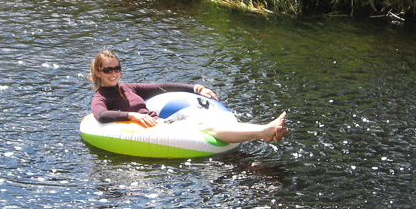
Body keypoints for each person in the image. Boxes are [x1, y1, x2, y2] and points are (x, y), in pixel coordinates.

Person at [89, 50, 287, 144]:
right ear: (98, 72)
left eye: (117, 68)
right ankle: (264, 132)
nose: (113, 73)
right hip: (153, 129)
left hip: (162, 121)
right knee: (206, 128)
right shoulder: (101, 96)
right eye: (108, 69)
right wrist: (132, 116)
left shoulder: (127, 87)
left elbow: (163, 87)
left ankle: (264, 131)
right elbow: (100, 114)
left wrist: (196, 88)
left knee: (206, 120)